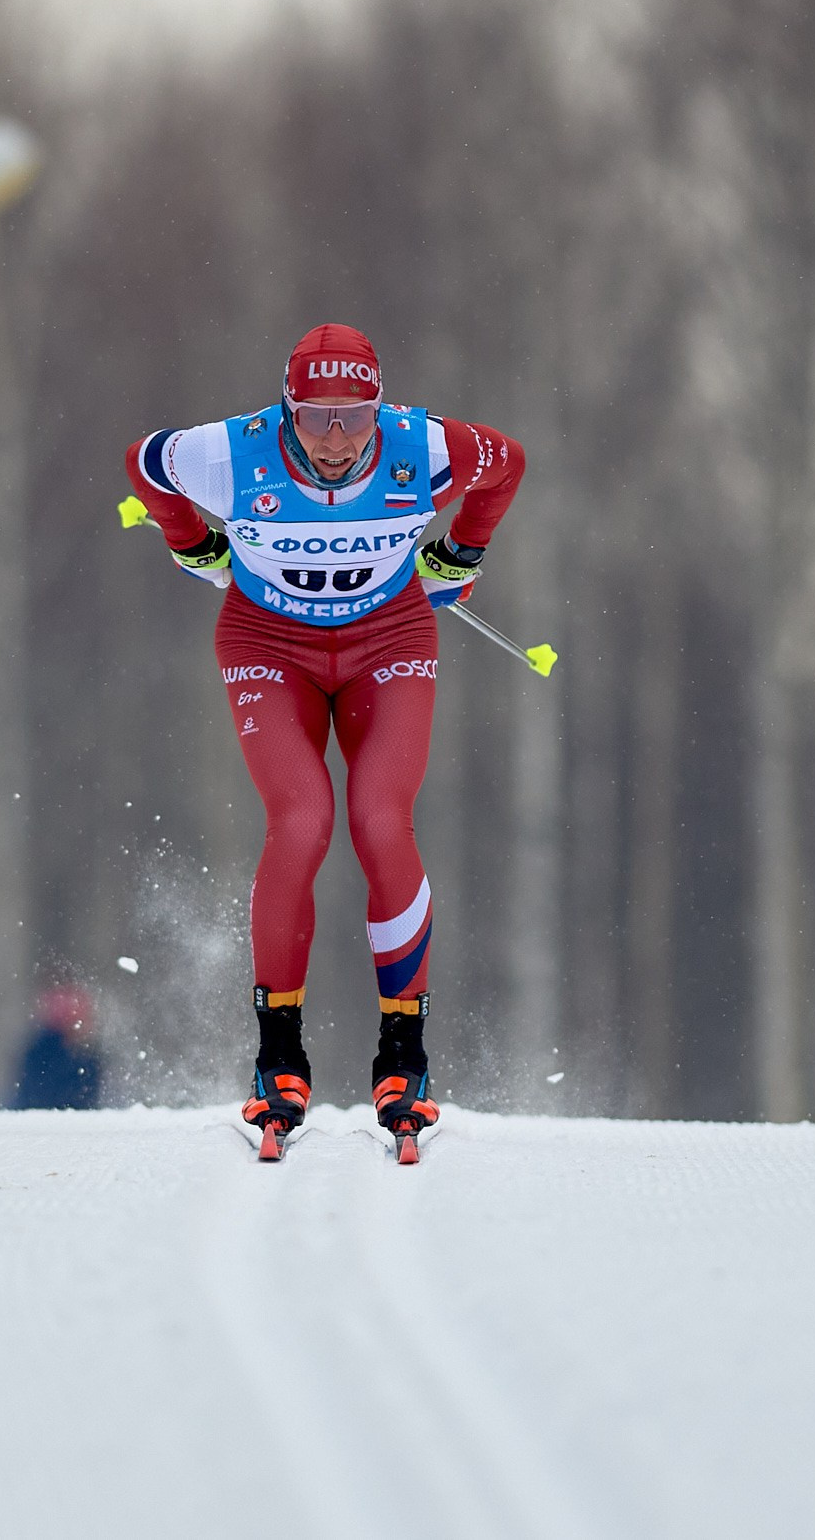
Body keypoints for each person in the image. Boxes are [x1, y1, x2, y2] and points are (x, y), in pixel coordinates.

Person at [121, 322, 525, 1160]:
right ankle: (278, 1055)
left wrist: (460, 555)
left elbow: (507, 464)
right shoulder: (231, 454)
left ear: (381, 407)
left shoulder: (422, 446)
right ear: (286, 409)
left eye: (355, 416)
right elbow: (143, 463)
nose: (337, 439)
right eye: (315, 417)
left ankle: (403, 1053)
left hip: (391, 640)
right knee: (300, 821)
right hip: (269, 645)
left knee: (382, 819)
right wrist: (189, 540)